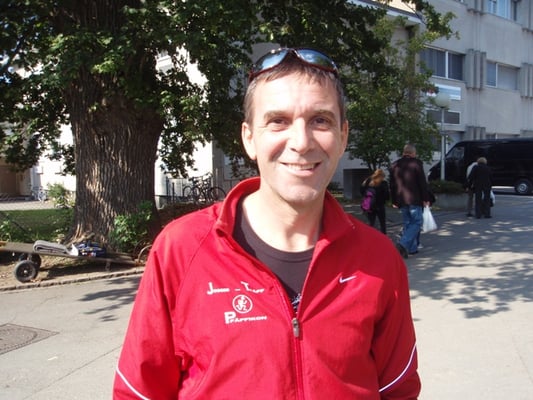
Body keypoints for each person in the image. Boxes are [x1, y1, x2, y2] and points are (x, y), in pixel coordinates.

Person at [113, 48, 420, 399]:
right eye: (278, 121)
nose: (301, 142)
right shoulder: (181, 250)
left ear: (343, 136)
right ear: (249, 138)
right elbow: (139, 392)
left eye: (320, 120)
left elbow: (398, 390)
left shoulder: (379, 258)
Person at [389, 144, 431, 258]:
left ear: (404, 152)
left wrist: (394, 200)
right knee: (417, 222)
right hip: (414, 198)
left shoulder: (395, 165)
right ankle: (403, 244)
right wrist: (426, 198)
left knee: (408, 223)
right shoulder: (416, 163)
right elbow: (422, 182)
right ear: (413, 153)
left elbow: (392, 185)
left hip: (401, 199)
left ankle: (411, 248)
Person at [360, 168, 390, 234]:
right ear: (382, 176)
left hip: (370, 205)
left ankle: (370, 236)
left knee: (371, 222)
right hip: (380, 205)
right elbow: (387, 195)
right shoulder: (384, 183)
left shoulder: (367, 181)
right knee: (382, 222)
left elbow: (361, 191)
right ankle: (383, 236)